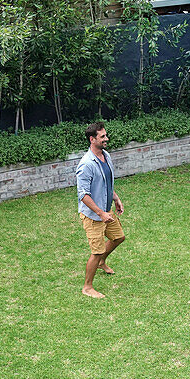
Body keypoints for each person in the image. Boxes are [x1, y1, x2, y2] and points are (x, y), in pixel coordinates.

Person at [76, 121, 125, 299]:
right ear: (92, 139)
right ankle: (87, 287)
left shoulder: (106, 156)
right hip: (94, 216)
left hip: (106, 210)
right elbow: (83, 195)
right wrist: (100, 213)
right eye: (102, 136)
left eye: (105, 135)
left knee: (119, 237)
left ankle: (102, 261)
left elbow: (106, 183)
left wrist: (116, 198)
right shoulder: (86, 164)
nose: (106, 139)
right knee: (96, 251)